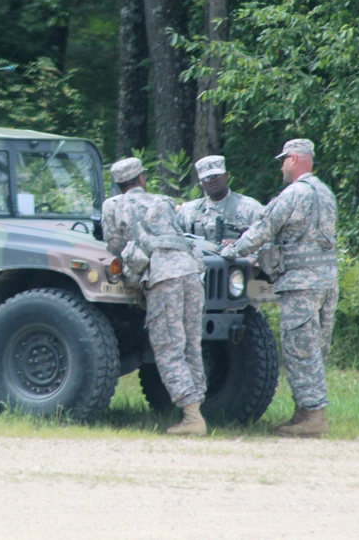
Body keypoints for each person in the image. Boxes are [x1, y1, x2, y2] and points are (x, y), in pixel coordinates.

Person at [219, 139, 338, 437]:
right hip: (326, 281)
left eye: (284, 160)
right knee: (314, 347)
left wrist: (234, 249)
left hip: (301, 283)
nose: (282, 165)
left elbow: (264, 227)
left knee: (300, 348)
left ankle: (312, 416)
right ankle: (305, 412)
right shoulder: (325, 193)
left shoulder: (295, 193)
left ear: (296, 159)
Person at [102, 157, 207, 435]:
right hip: (191, 273)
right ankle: (197, 409)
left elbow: (114, 245)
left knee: (169, 348)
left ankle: (192, 416)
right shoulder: (163, 201)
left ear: (118, 183)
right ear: (141, 179)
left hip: (162, 277)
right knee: (191, 347)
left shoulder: (113, 205)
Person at [177, 155, 263, 246]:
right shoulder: (188, 211)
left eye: (216, 176)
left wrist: (241, 244)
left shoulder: (250, 208)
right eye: (207, 178)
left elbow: (266, 240)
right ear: (201, 182)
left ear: (226, 176)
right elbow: (174, 240)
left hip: (238, 259)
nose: (212, 181)